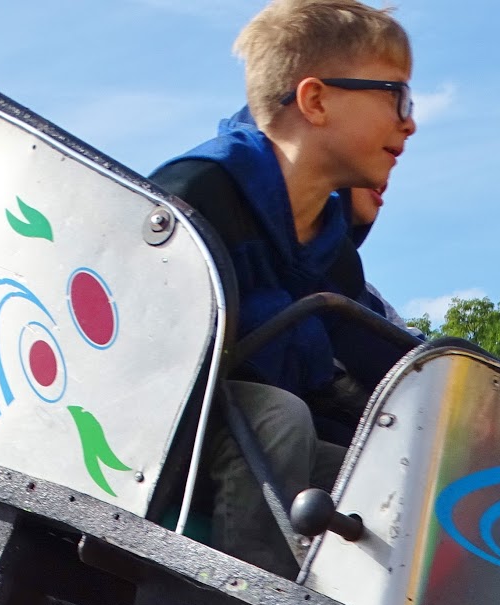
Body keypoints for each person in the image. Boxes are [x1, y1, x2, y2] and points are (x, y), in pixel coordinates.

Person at [150, 0, 416, 575]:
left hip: (235, 445)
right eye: (395, 95)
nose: (409, 121)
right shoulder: (197, 191)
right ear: (315, 100)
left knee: (380, 479)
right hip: (153, 432)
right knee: (278, 417)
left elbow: (380, 363)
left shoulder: (332, 253)